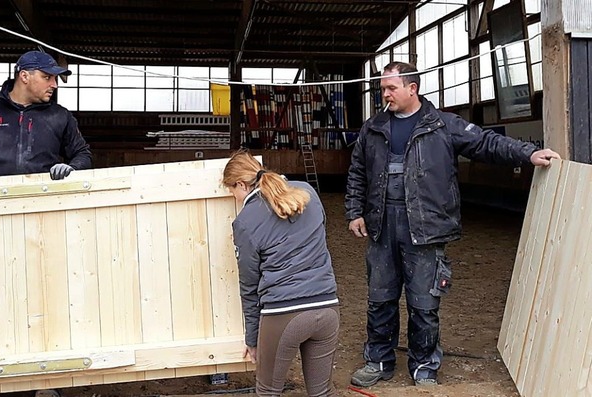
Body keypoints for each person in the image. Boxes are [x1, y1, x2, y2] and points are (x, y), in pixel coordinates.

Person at [346, 61, 560, 387]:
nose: (384, 94)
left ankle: (424, 368)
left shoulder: (442, 125)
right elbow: (357, 171)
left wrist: (528, 154)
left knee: (424, 302)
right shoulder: (373, 128)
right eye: (382, 88)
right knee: (380, 298)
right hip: (382, 225)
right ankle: (378, 361)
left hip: (426, 227)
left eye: (391, 88)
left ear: (412, 88)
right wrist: (354, 211)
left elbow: (488, 143)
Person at [222, 150, 340, 397]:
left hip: (284, 313)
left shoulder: (245, 221)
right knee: (322, 393)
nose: (234, 198)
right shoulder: (307, 191)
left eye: (232, 192)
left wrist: (253, 339)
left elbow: (249, 284)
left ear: (241, 184)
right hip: (328, 307)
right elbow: (320, 230)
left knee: (268, 391)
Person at [0, 50, 92, 181]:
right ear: (24, 76)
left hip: (43, 200)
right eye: (47, 77)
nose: (54, 85)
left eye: (55, 79)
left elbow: (82, 154)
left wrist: (72, 168)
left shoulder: (60, 116)